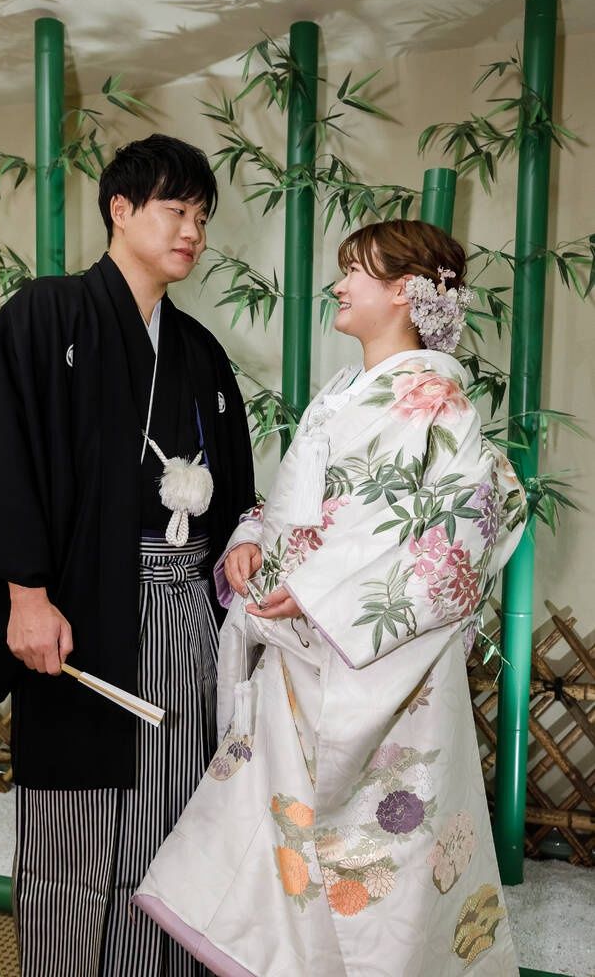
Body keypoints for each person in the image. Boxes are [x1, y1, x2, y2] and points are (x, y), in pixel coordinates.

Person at [134, 219, 527, 976]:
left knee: (386, 853)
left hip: (379, 665)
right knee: (284, 842)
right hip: (302, 653)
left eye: (355, 272)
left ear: (405, 291)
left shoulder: (438, 401)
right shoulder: (344, 391)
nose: (338, 285)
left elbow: (457, 540)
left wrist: (317, 594)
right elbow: (296, 505)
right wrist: (253, 536)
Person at [0, 134, 255, 976]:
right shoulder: (47, 316)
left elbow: (236, 497)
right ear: (120, 208)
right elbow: (3, 459)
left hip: (185, 611)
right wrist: (25, 597)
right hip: (79, 606)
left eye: (202, 217)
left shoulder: (199, 352)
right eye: (175, 210)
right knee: (77, 822)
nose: (193, 232)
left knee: (178, 807)